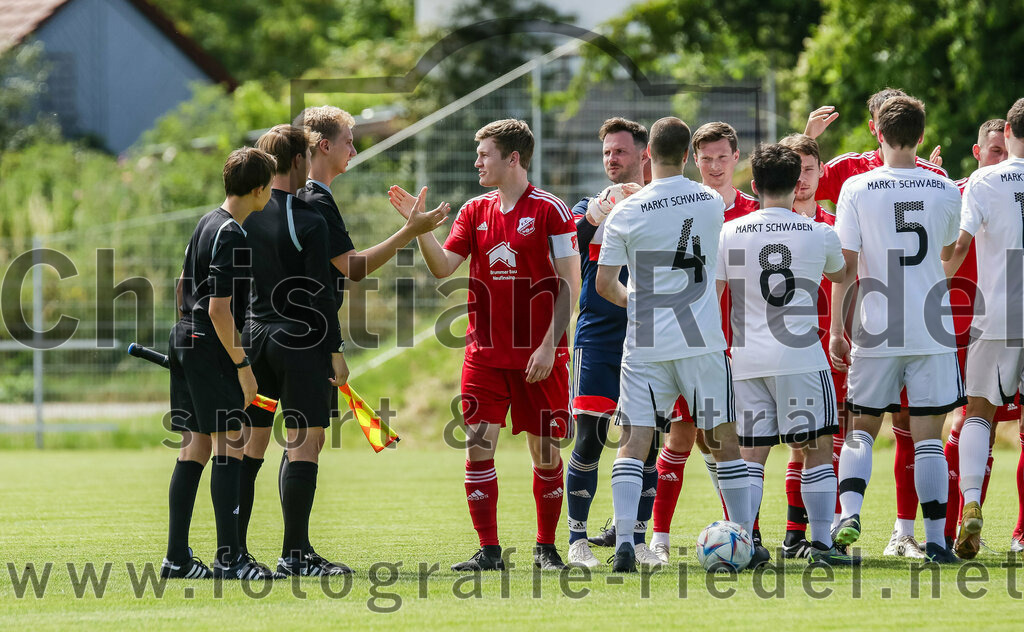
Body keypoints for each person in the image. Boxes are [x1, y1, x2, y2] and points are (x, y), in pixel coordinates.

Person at [391, 119, 580, 571]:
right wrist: (420, 228)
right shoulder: (475, 210)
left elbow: (570, 284)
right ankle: (489, 550)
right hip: (485, 355)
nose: (477, 162)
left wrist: (547, 346)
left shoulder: (551, 209)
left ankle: (546, 548)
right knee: (477, 447)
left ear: (513, 158)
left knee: (545, 453)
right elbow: (443, 267)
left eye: (484, 154)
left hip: (540, 356)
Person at [275, 105, 451, 549]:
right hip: (306, 335)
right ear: (324, 146)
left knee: (298, 440)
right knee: (306, 440)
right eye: (349, 142)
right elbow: (353, 268)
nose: (354, 150)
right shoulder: (315, 199)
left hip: (281, 331)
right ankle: (295, 553)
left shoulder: (299, 196)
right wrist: (410, 231)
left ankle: (283, 550)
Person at [596, 116, 755, 572]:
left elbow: (605, 284)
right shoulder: (710, 201)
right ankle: (744, 539)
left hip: (646, 341)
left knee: (635, 440)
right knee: (723, 438)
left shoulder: (626, 211)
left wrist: (639, 302)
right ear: (688, 156)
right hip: (701, 340)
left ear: (648, 155)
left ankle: (626, 543)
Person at [807, 88, 948, 556]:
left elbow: (845, 266)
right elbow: (950, 250)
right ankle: (935, 541)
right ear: (921, 136)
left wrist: (836, 330)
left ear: (878, 133)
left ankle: (849, 514)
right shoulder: (943, 184)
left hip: (876, 324)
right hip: (931, 325)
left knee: (861, 430)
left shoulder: (857, 186)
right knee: (928, 439)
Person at [717, 142, 853, 565]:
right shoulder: (819, 231)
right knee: (816, 449)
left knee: (751, 455)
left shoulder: (730, 232)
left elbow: (714, 293)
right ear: (797, 185)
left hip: (746, 359)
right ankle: (822, 545)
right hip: (801, 357)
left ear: (754, 184)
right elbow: (841, 273)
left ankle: (744, 544)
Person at [162, 146, 280, 580]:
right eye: (270, 187)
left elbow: (181, 286)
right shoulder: (233, 234)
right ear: (259, 189)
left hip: (186, 335)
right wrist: (243, 366)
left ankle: (177, 559)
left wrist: (187, 339)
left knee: (194, 446)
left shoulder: (206, 222)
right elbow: (218, 309)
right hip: (209, 342)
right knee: (230, 442)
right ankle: (231, 559)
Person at [646, 121, 759, 560]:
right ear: (693, 159)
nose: (714, 166)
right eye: (706, 158)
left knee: (736, 443)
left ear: (736, 158)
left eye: (722, 157)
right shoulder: (683, 207)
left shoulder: (754, 213)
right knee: (681, 434)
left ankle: (747, 534)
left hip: (746, 346)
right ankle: (658, 540)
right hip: (693, 341)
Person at [564, 117, 661, 568]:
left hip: (650, 336)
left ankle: (637, 541)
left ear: (644, 154)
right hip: (598, 337)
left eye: (620, 151)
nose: (612, 159)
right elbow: (571, 241)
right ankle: (577, 540)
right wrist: (598, 211)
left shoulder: (662, 204)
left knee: (647, 441)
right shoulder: (590, 205)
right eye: (606, 152)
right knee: (590, 436)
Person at [942, 98, 1024, 559]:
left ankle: (970, 502)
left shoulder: (984, 180)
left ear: (1007, 132)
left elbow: (958, 248)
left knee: (977, 412)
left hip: (999, 314)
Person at [774, 133, 848, 558]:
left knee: (828, 437)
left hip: (829, 341)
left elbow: (849, 281)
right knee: (797, 441)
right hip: (783, 346)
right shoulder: (769, 223)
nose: (802, 178)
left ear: (822, 171)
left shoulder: (834, 226)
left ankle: (824, 529)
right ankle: (793, 532)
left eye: (808, 169)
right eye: (795, 170)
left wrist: (843, 331)